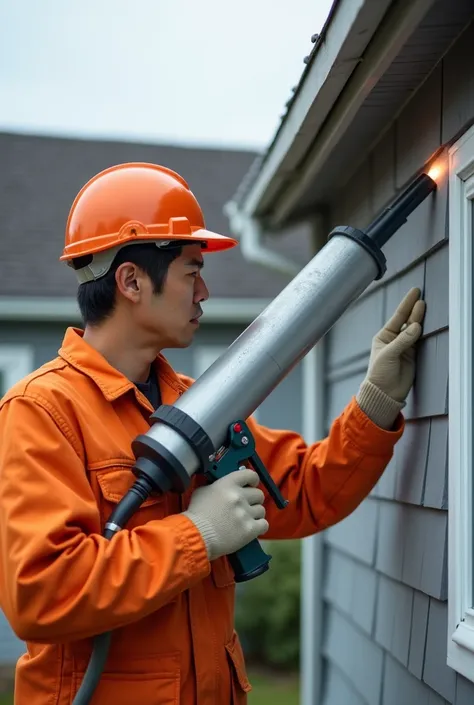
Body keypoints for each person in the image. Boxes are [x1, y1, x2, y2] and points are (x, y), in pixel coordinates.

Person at [0, 162, 425, 705]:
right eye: (190, 271)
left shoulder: (200, 403)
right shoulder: (43, 411)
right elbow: (43, 593)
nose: (204, 290)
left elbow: (305, 490)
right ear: (131, 281)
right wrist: (196, 535)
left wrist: (377, 400)